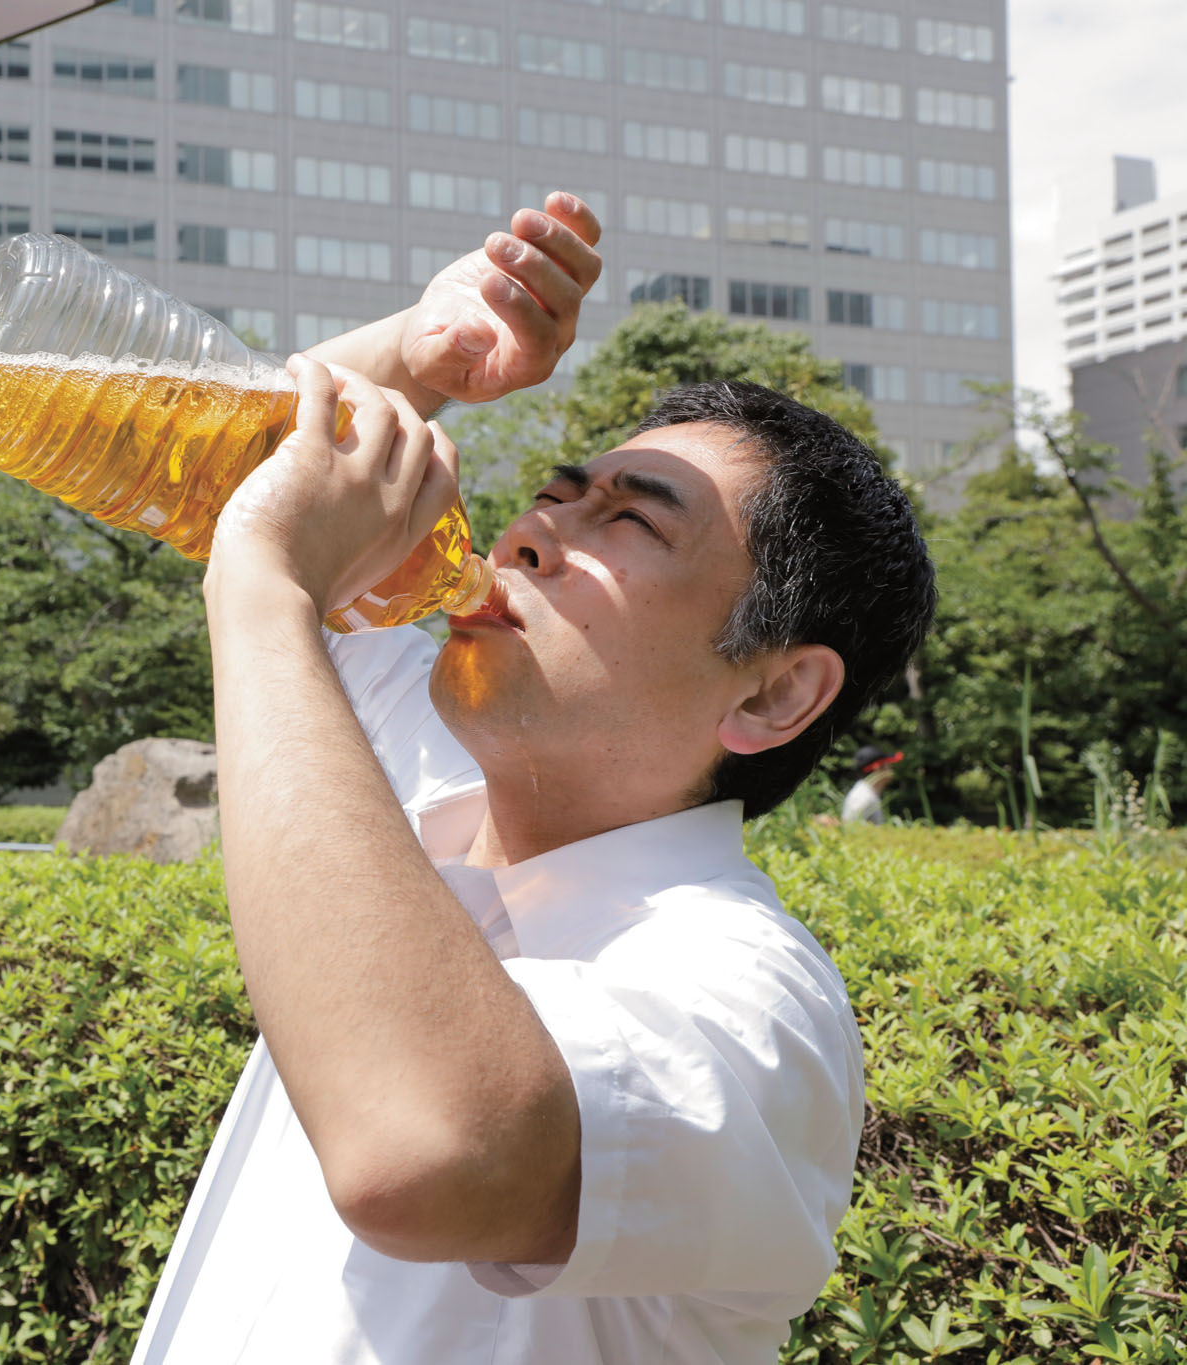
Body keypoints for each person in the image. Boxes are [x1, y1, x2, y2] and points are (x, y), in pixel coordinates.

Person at [129, 195, 939, 1365]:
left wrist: (266, 593)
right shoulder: (426, 768)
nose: (522, 536)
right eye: (556, 495)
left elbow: (425, 1152)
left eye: (627, 522)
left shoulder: (750, 1001)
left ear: (769, 694)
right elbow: (238, 487)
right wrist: (419, 356)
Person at [842, 745, 905, 825]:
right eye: (888, 764)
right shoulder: (863, 798)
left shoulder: (867, 792)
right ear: (878, 768)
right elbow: (850, 828)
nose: (891, 769)